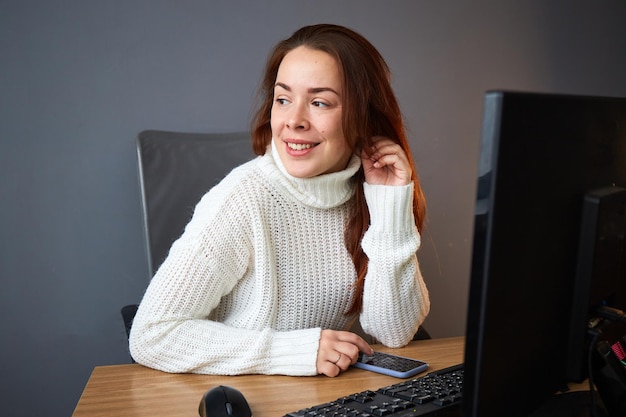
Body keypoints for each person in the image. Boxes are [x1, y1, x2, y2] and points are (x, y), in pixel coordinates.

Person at [129, 23, 430, 378]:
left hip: (320, 398)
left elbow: (393, 334)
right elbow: (151, 333)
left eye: (319, 102)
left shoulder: (366, 195)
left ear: (362, 117)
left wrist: (389, 202)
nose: (294, 120)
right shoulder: (243, 198)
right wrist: (294, 352)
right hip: (244, 399)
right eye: (283, 99)